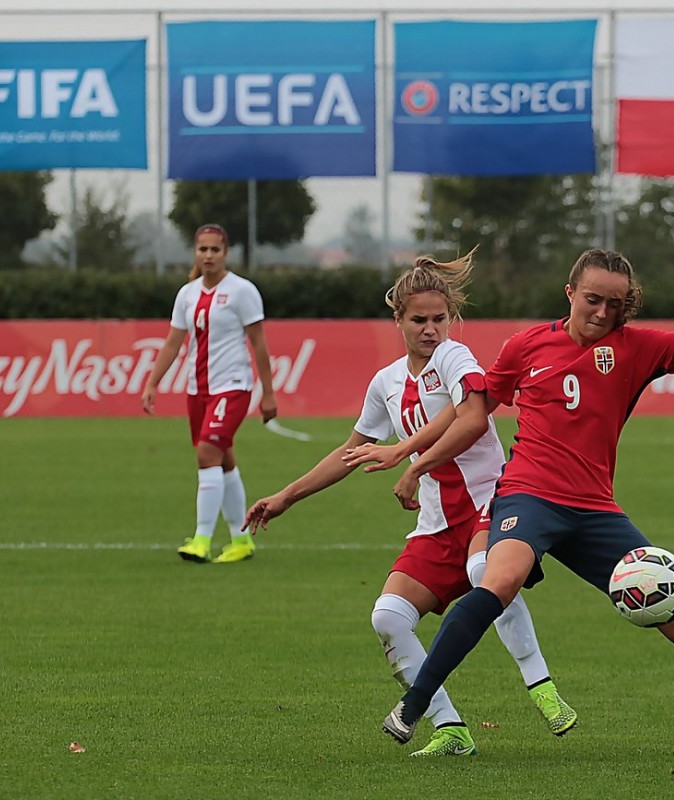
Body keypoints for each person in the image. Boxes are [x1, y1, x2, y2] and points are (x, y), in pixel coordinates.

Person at [373, 242, 674, 760]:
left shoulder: (634, 347)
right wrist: (414, 456)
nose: (602, 312)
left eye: (615, 303)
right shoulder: (525, 346)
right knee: (498, 579)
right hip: (529, 492)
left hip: (595, 511)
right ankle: (415, 706)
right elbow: (469, 412)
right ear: (569, 292)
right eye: (593, 299)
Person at [243, 252, 578, 758]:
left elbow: (470, 415)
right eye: (418, 320)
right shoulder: (385, 383)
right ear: (397, 319)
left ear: (451, 319)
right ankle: (450, 729)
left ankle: (542, 687)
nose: (430, 329)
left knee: (485, 568)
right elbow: (352, 451)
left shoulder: (454, 357)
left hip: (493, 499)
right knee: (389, 618)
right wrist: (286, 495)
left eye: (439, 318)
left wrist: (409, 458)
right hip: (437, 520)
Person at [141, 223, 277, 564]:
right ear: (195, 253)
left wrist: (268, 394)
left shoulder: (243, 291)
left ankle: (201, 539)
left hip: (232, 387)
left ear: (225, 252)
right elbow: (174, 341)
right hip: (197, 390)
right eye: (203, 249)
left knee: (206, 454)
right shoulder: (187, 294)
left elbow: (259, 343)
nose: (209, 255)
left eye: (215, 249)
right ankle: (241, 540)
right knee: (222, 459)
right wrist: (153, 383)